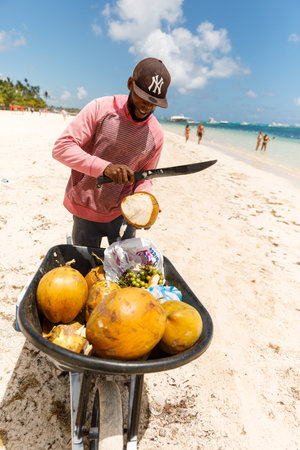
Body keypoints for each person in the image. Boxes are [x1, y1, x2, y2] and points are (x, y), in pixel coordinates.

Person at [52, 57, 171, 248]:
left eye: (153, 102)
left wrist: (144, 201)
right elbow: (62, 148)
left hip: (123, 214)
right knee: (86, 266)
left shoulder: (155, 134)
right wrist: (105, 168)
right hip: (85, 208)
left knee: (124, 271)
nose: (146, 106)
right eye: (142, 97)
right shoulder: (101, 108)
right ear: (130, 84)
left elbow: (145, 177)